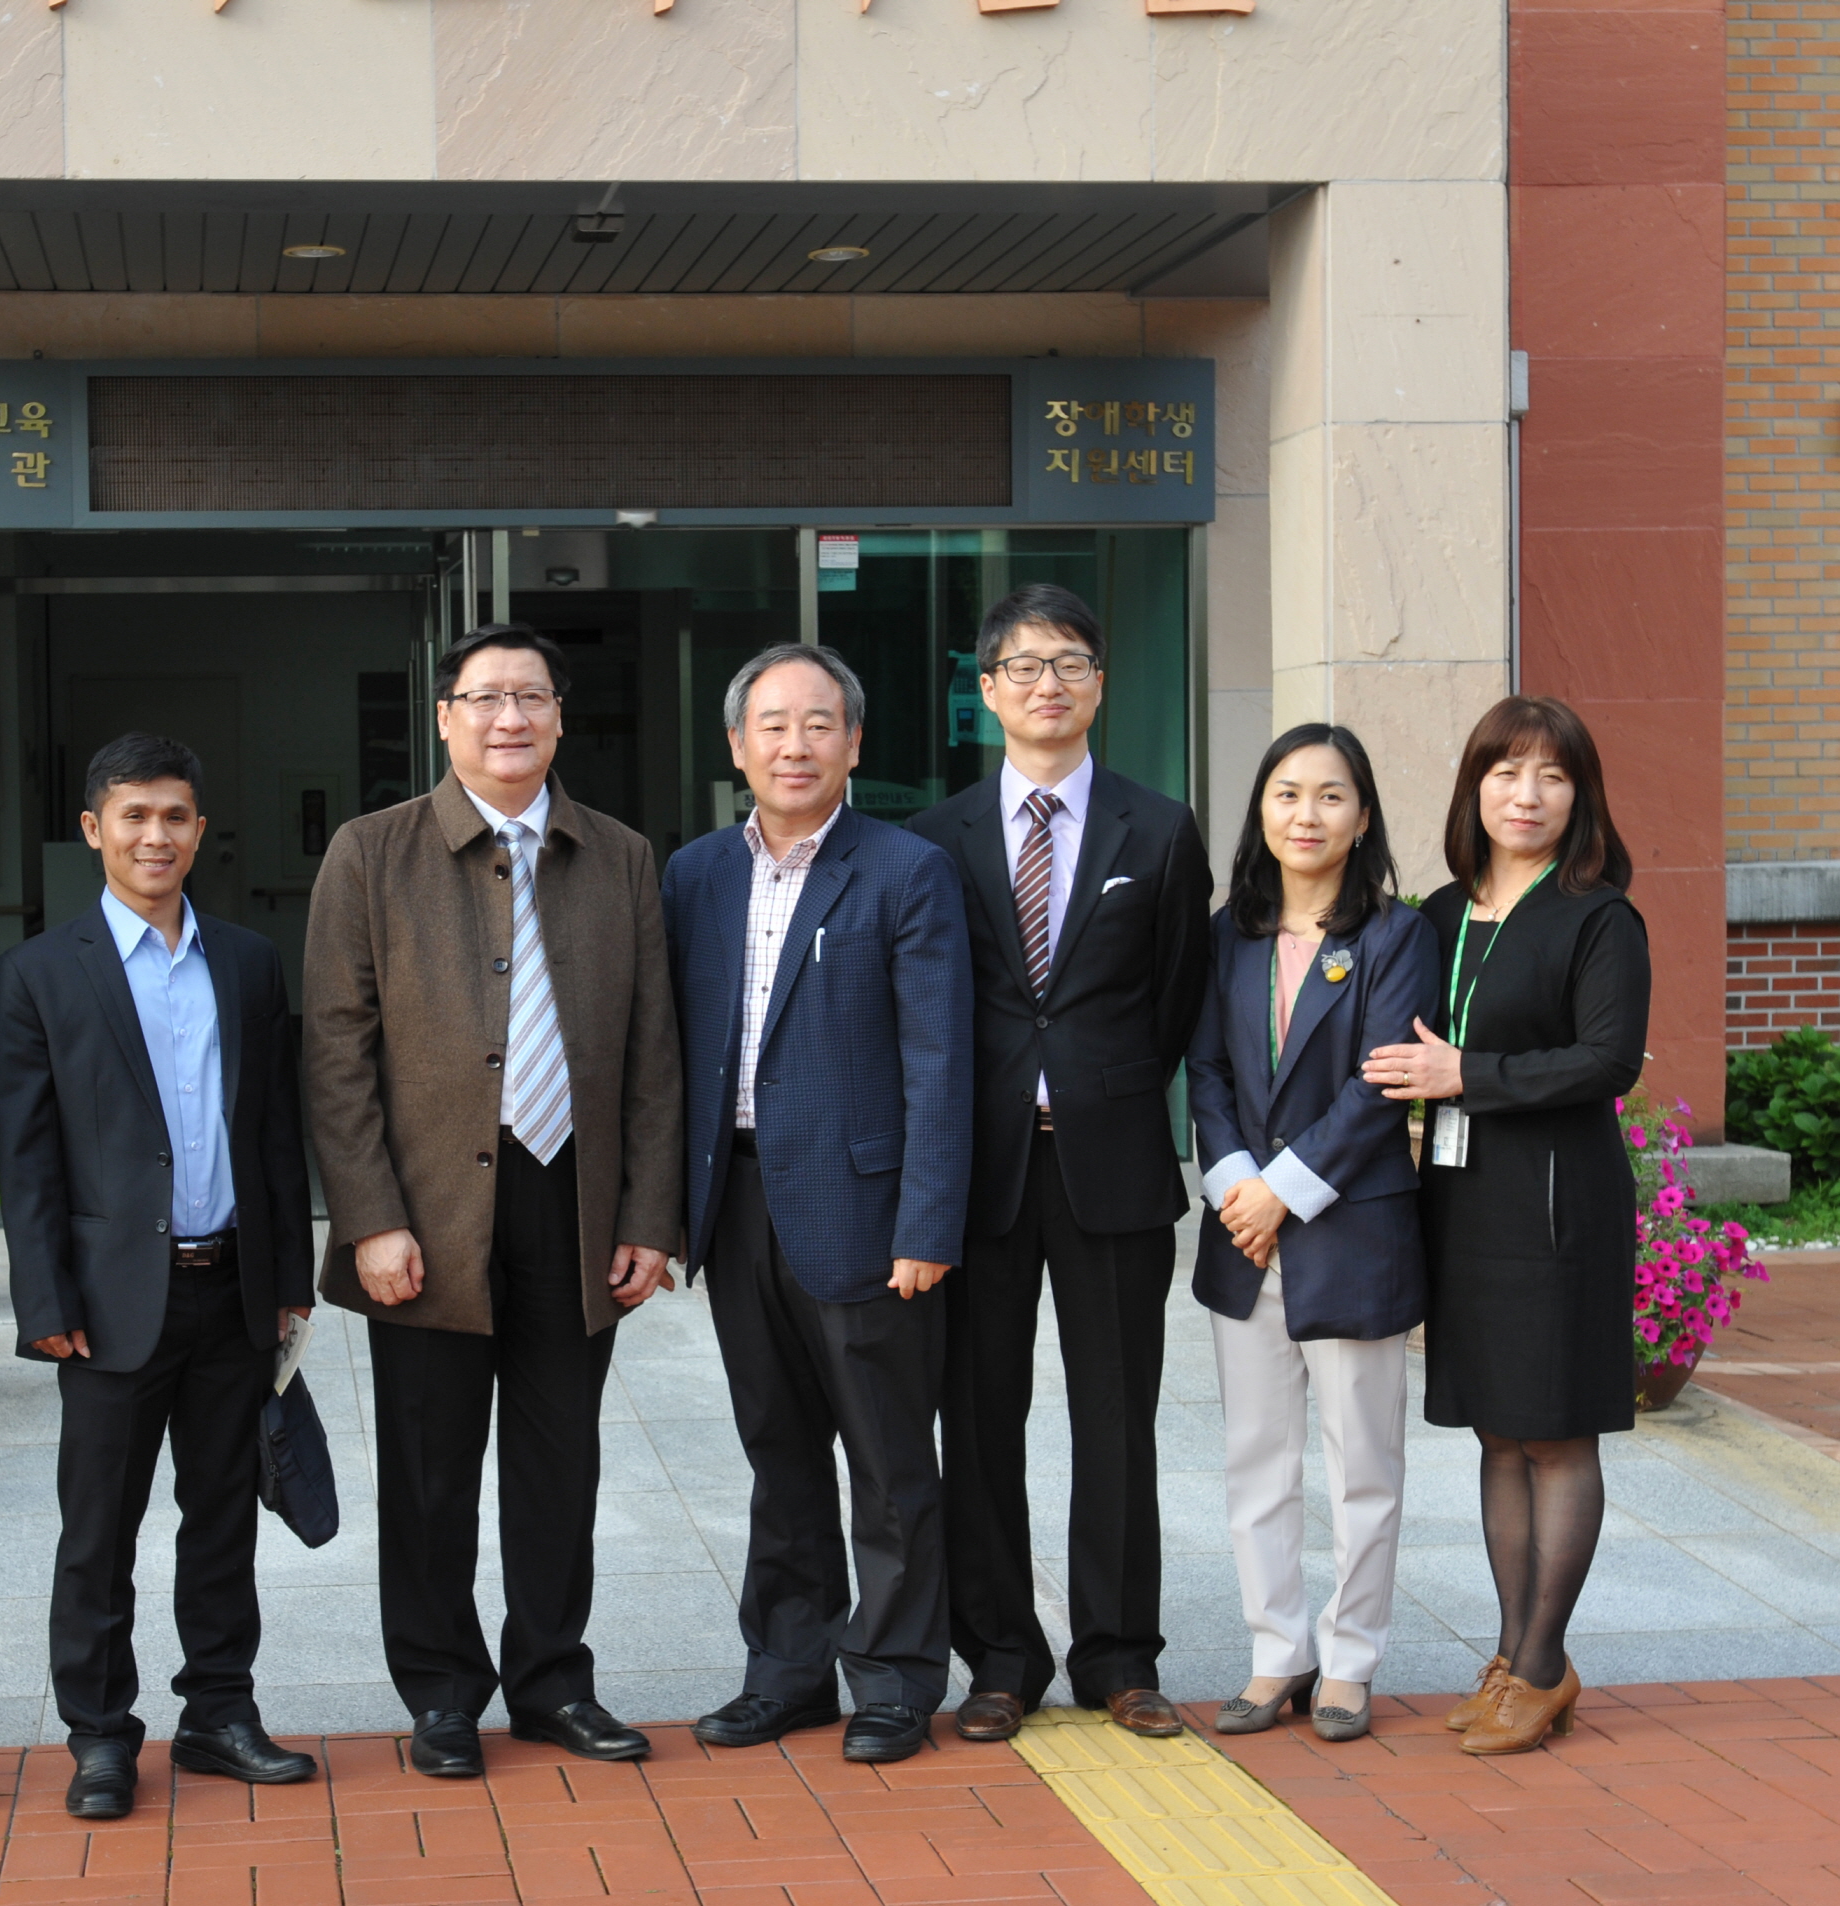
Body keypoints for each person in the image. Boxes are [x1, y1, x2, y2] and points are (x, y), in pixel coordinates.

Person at [303, 623, 682, 1779]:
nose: (508, 717)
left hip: (574, 1204)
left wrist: (647, 1217)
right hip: (424, 1216)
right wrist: (368, 1217)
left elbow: (655, 1051)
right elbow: (334, 1051)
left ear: (559, 715)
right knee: (428, 1470)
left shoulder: (619, 856)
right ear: (444, 717)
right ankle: (439, 1693)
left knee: (559, 1464)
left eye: (530, 697)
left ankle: (554, 1681)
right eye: (483, 697)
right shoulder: (371, 853)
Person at [0, 734, 319, 1821]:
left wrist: (288, 1277)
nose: (155, 836)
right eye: (133, 816)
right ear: (94, 829)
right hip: (106, 1304)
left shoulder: (248, 960)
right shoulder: (43, 972)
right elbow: (27, 1158)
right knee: (98, 1531)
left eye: (175, 815)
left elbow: (274, 1130)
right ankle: (98, 1734)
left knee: (222, 1517)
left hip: (231, 1288)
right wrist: (45, 1300)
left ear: (200, 830)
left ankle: (220, 1713)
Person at [659, 646, 972, 1763]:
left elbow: (940, 1059)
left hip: (866, 1212)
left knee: (887, 1461)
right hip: (734, 1201)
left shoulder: (906, 869)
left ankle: (893, 1678)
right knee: (776, 1452)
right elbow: (668, 1052)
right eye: (772, 725)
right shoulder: (694, 874)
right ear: (736, 744)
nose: (794, 745)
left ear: (853, 741)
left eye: (818, 723)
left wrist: (926, 1223)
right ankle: (787, 1670)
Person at [910, 583, 1209, 1742]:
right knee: (978, 1420)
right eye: (1024, 666)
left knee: (1116, 1420)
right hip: (977, 1173)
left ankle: (1118, 1656)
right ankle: (999, 1656)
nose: (1048, 683)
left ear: (1098, 684)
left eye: (1070, 662)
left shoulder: (1159, 829)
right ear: (986, 690)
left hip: (1111, 1165)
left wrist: (1099, 1091)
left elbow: (1174, 1000)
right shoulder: (934, 837)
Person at [1365, 696, 1648, 1757]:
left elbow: (1606, 1060)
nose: (1525, 795)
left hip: (1557, 1207)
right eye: (1504, 772)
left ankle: (1541, 1665)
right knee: (1497, 1430)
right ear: (1472, 788)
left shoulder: (1597, 916)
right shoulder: (1439, 914)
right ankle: (1512, 1654)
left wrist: (1463, 1074)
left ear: (1580, 796)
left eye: (1551, 776)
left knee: (1556, 1430)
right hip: (1463, 1200)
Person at [1186, 725, 1431, 1744]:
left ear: (1362, 817)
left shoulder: (1395, 936)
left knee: (1360, 1462)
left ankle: (1350, 1657)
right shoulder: (1227, 934)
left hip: (1349, 1232)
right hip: (1244, 1237)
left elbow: (1381, 1083)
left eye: (1331, 796)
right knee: (1256, 1458)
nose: (1306, 814)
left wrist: (1280, 1193)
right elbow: (1204, 1071)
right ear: (1261, 810)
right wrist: (1236, 1188)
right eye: (1286, 793)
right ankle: (1276, 1648)